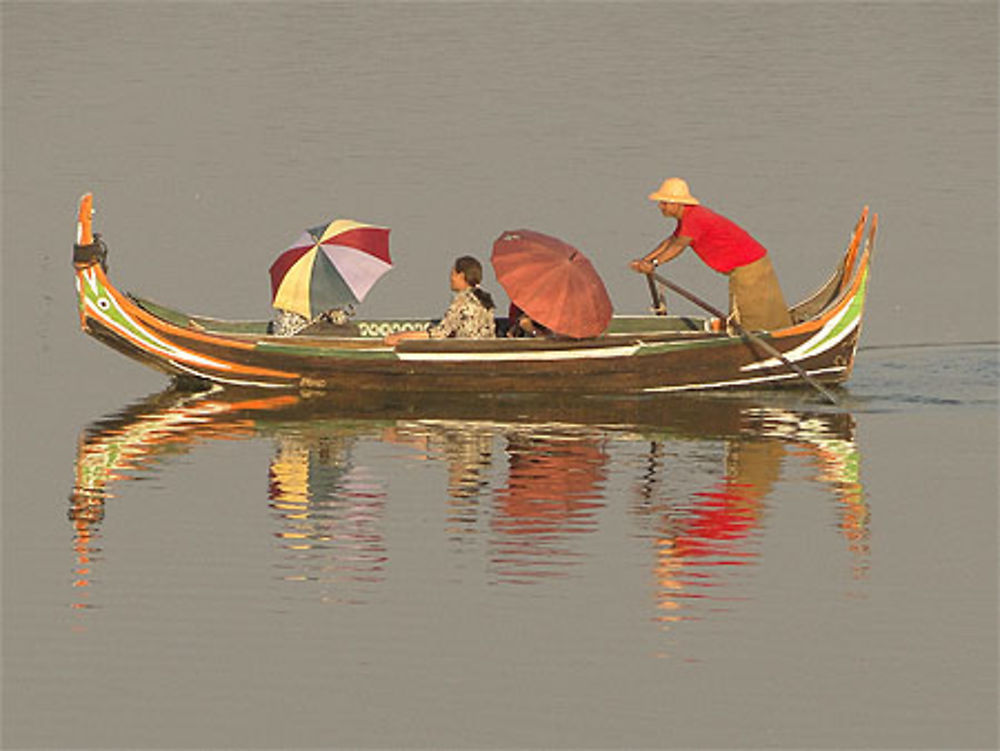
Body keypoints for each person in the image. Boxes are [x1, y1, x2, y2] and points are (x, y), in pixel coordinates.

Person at [630, 177, 792, 331]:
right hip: (748, 264)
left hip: (750, 266)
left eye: (664, 203)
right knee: (758, 311)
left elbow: (678, 246)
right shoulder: (687, 218)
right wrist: (646, 260)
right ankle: (772, 333)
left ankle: (765, 341)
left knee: (751, 313)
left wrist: (654, 264)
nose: (660, 206)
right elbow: (671, 241)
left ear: (677, 204)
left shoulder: (695, 218)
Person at [384, 256, 496, 345]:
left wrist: (400, 336)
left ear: (461, 275)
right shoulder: (484, 299)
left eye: (453, 274)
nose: (450, 278)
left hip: (467, 353)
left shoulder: (462, 300)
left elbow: (439, 334)